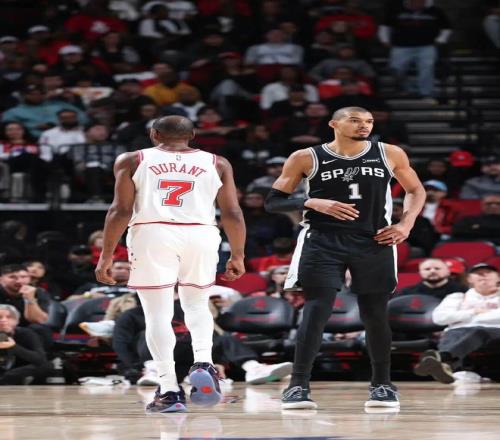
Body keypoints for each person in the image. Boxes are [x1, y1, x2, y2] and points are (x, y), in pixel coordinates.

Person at [264, 106, 426, 409]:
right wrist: (312, 202)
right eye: (355, 120)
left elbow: (416, 190)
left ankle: (382, 385)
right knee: (316, 310)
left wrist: (405, 224)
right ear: (334, 124)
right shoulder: (306, 157)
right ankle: (298, 385)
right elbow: (273, 202)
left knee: (375, 313)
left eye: (369, 121)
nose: (364, 126)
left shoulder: (389, 153)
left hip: (374, 239)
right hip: (322, 240)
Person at [95, 115, 246, 413]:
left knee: (157, 314)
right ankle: (204, 362)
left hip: (153, 232)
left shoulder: (132, 159)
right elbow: (233, 212)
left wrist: (107, 254)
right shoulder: (217, 162)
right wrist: (238, 254)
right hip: (201, 233)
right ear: (193, 134)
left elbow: (120, 210)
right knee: (197, 305)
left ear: (154, 134)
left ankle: (169, 390)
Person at [414, 263, 500, 384]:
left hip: (494, 333)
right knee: (451, 333)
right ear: (469, 279)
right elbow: (439, 318)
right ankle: (448, 367)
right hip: (458, 333)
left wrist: (461, 317)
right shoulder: (457, 297)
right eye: (478, 273)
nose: (483, 276)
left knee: (478, 331)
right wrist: (473, 312)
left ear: (498, 277)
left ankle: (442, 359)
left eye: (488, 273)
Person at [378, 0, 452, 99]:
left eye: (421, 1)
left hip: (426, 46)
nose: (418, 3)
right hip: (401, 46)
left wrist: (441, 40)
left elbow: (446, 27)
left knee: (427, 68)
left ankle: (425, 92)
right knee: (395, 68)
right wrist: (384, 40)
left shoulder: (435, 11)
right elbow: (385, 26)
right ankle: (407, 87)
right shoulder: (396, 10)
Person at [0, 304, 52, 385]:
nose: (3, 320)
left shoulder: (26, 333)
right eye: (0, 317)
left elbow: (40, 359)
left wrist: (14, 347)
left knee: (46, 365)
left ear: (17, 321)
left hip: (16, 370)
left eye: (9, 317)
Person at [400, 259, 467, 299]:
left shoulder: (463, 291)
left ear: (448, 271)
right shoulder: (407, 292)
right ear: (420, 273)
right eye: (427, 269)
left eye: (437, 268)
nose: (432, 271)